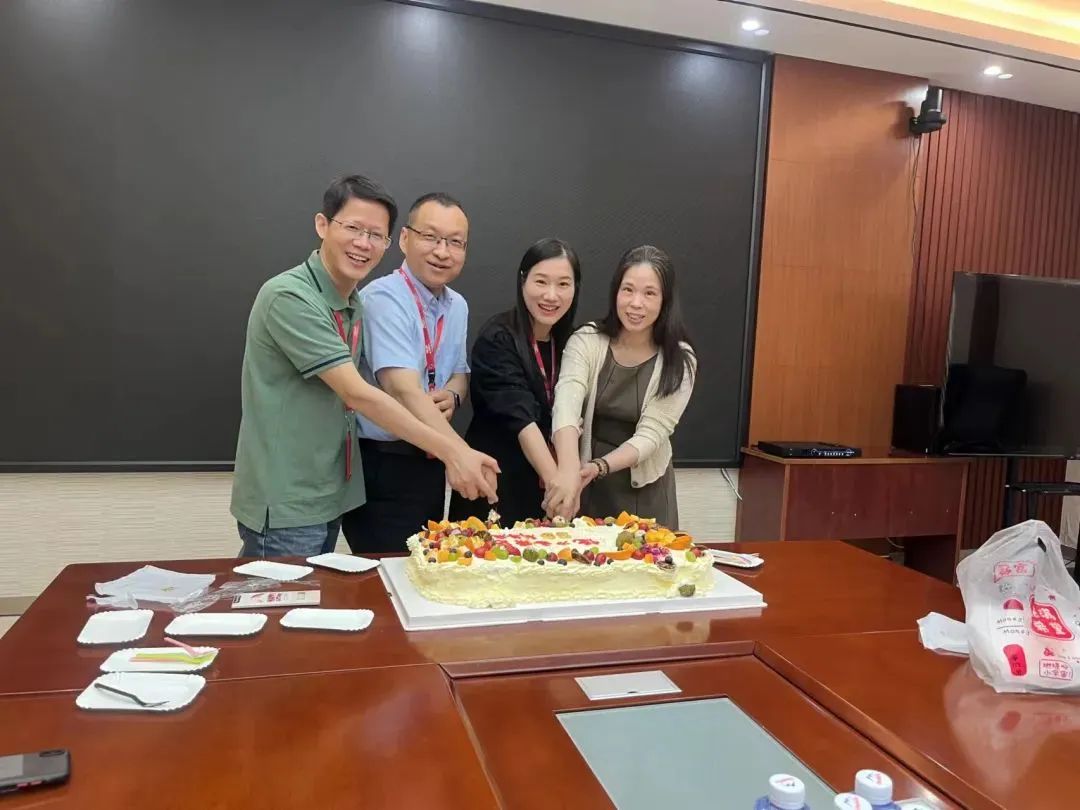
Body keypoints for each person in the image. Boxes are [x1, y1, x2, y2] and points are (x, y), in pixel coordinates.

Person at [230, 176, 498, 558]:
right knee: (287, 595)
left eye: (375, 235)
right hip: (289, 496)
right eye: (353, 228)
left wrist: (454, 413)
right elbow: (360, 394)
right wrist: (454, 451)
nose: (363, 243)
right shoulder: (289, 296)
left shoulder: (352, 303)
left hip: (330, 491)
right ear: (322, 224)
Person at [341, 192, 480, 553]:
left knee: (422, 566)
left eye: (455, 242)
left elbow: (459, 372)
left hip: (429, 462)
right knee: (388, 569)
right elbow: (401, 388)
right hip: (383, 462)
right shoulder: (383, 299)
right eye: (430, 237)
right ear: (404, 238)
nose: (442, 251)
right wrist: (459, 452)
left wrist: (453, 395)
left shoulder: (458, 305)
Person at [546, 245, 696, 528]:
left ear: (665, 301)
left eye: (649, 293)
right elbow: (566, 403)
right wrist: (568, 470)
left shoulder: (680, 359)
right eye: (628, 290)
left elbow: (651, 434)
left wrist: (599, 466)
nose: (636, 303)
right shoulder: (587, 340)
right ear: (616, 292)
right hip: (585, 484)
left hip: (645, 490)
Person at [449, 238, 582, 525]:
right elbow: (520, 418)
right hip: (497, 486)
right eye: (541, 282)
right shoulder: (498, 338)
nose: (551, 295)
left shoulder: (574, 342)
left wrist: (565, 482)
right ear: (523, 281)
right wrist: (556, 486)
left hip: (549, 490)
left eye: (563, 284)